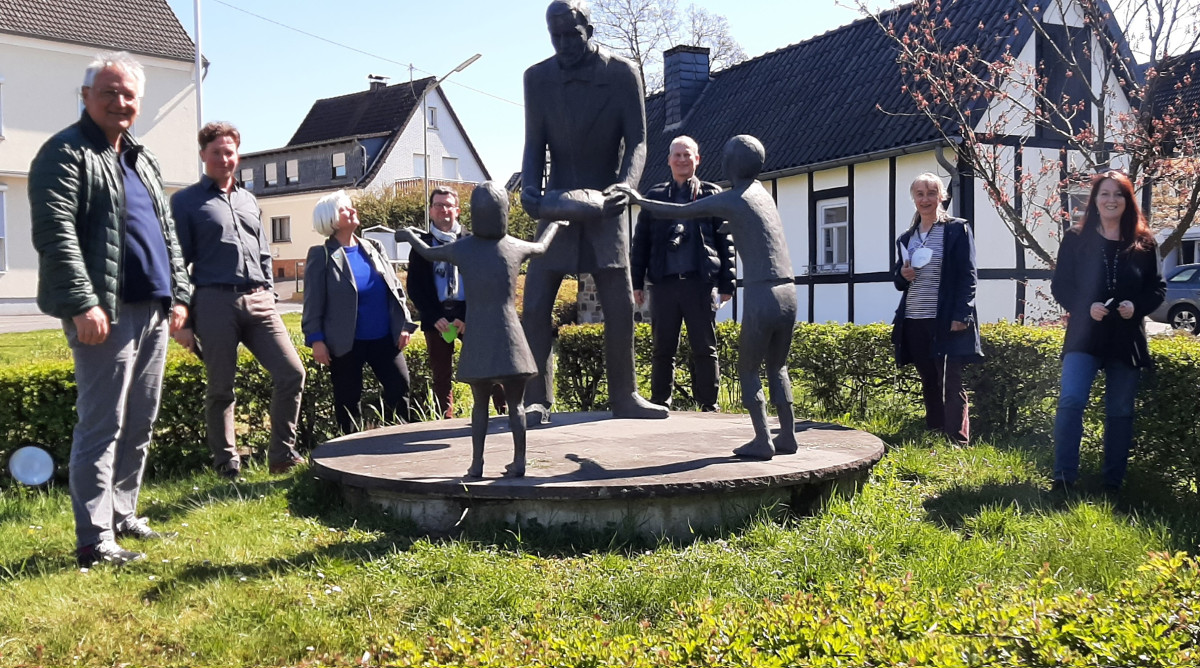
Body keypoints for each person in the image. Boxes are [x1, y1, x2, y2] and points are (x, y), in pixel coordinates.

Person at [29, 52, 191, 566]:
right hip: (106, 312)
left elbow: (167, 235)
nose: (120, 102)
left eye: (128, 95)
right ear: (86, 97)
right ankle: (93, 539)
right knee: (102, 425)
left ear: (138, 103)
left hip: (154, 310)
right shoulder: (64, 153)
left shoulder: (144, 159)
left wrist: (179, 294)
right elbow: (56, 235)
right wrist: (83, 302)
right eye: (109, 92)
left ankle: (122, 513)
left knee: (139, 421)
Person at [519, 0, 666, 423]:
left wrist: (627, 184)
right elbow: (534, 145)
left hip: (607, 203)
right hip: (557, 204)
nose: (564, 44)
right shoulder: (537, 78)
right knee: (536, 304)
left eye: (572, 34)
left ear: (590, 29)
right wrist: (530, 187)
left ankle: (625, 395)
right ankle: (536, 398)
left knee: (620, 305)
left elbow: (638, 141)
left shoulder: (622, 73)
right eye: (556, 36)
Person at [619, 135, 796, 459]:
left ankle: (762, 440)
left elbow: (680, 210)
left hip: (760, 293)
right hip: (788, 291)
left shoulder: (727, 197)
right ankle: (787, 435)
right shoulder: (763, 195)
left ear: (726, 164)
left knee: (748, 369)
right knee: (777, 367)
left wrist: (635, 197)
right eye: (677, 155)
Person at [398, 183, 567, 478]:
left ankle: (477, 464)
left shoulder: (463, 248)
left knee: (480, 405)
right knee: (515, 404)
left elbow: (426, 252)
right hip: (510, 336)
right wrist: (554, 224)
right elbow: (541, 247)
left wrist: (407, 234)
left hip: (478, 335)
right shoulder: (515, 245)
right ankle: (520, 461)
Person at [171, 122, 306, 480]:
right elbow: (175, 262)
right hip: (214, 302)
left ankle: (281, 454)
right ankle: (227, 463)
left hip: (259, 301)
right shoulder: (185, 202)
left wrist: (270, 295)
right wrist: (181, 319)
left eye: (229, 152)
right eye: (216, 152)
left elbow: (263, 252)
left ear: (238, 156)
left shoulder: (249, 199)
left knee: (292, 373)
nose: (224, 158)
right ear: (203, 155)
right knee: (221, 388)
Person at [1050, 170, 1164, 495]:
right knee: (1071, 400)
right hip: (1085, 334)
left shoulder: (1144, 243)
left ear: (1128, 201)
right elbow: (1061, 286)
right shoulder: (1075, 238)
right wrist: (1084, 306)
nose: (1111, 200)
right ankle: (1063, 478)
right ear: (1094, 200)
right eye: (1105, 194)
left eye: (1119, 194)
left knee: (1120, 411)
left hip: (1126, 338)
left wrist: (1136, 306)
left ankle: (1112, 483)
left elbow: (1157, 289)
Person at [631, 136, 735, 412]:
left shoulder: (711, 195)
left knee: (704, 348)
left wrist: (728, 283)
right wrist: (636, 282)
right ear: (668, 161)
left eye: (687, 155)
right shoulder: (654, 196)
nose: (681, 160)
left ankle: (709, 405)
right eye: (676, 155)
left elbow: (726, 243)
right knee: (662, 349)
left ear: (697, 159)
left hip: (699, 283)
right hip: (663, 284)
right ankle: (660, 403)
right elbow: (640, 242)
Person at [302, 191, 417, 434]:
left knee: (399, 386)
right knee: (348, 399)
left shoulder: (373, 247)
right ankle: (349, 449)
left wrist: (405, 324)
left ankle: (400, 438)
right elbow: (313, 303)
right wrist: (316, 340)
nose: (353, 210)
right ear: (331, 219)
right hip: (345, 343)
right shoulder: (320, 256)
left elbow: (395, 288)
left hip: (384, 337)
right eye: (345, 209)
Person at [890, 172, 982, 446]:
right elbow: (898, 279)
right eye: (920, 194)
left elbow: (968, 275)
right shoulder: (906, 238)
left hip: (945, 318)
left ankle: (957, 441)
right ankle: (934, 433)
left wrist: (961, 314)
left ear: (942, 196)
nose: (926, 199)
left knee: (950, 381)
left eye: (932, 193)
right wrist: (901, 275)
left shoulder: (956, 229)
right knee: (929, 379)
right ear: (913, 199)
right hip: (914, 317)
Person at [405, 186, 504, 419]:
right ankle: (444, 420)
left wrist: (468, 315)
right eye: (438, 205)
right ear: (430, 211)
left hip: (471, 317)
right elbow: (415, 288)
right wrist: (432, 316)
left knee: (489, 368)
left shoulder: (474, 241)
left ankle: (503, 415)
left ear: (457, 211)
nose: (443, 210)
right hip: (437, 319)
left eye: (448, 206)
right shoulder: (421, 245)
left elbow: (485, 283)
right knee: (441, 375)